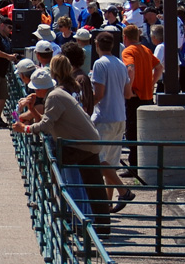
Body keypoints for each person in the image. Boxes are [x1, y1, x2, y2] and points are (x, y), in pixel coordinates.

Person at [10, 68, 113, 232]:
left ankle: (67, 213)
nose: (35, 91)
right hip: (88, 141)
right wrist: (33, 110)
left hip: (79, 144)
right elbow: (49, 121)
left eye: (36, 88)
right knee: (94, 186)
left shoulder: (54, 97)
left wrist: (25, 129)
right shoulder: (57, 94)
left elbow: (46, 125)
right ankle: (101, 226)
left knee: (62, 173)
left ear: (42, 88)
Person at [90, 31, 135, 210]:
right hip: (119, 116)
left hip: (105, 117)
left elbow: (99, 94)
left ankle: (123, 191)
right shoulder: (120, 63)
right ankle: (106, 205)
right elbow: (128, 93)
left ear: (97, 45)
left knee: (99, 162)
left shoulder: (100, 64)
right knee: (110, 162)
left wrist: (86, 106)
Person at [121, 24, 161, 173]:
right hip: (147, 96)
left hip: (135, 97)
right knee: (144, 132)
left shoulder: (128, 51)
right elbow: (159, 67)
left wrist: (128, 89)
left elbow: (130, 69)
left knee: (132, 132)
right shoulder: (146, 50)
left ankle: (134, 167)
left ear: (125, 37)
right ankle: (143, 164)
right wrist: (151, 83)